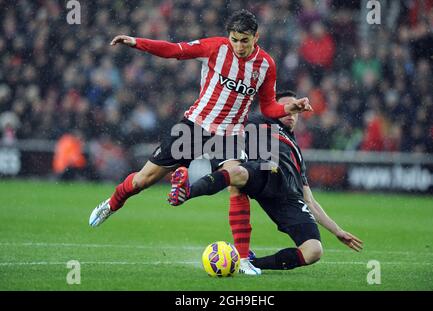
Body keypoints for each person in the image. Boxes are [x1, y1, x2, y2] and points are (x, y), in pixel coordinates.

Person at [88, 10, 311, 275]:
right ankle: (111, 204)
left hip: (228, 135)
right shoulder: (215, 47)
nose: (239, 46)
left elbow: (268, 107)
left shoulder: (266, 65)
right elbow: (174, 50)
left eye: (245, 40)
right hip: (194, 127)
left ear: (256, 38)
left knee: (237, 182)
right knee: (143, 180)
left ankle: (242, 259)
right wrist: (137, 42)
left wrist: (290, 108)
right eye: (235, 39)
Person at [169, 90, 363, 272]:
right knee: (239, 174)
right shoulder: (257, 122)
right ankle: (187, 191)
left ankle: (252, 263)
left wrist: (337, 231)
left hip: (287, 196)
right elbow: (223, 121)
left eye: (295, 109)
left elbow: (309, 200)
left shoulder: (296, 151)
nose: (292, 112)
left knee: (313, 251)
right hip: (265, 170)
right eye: (287, 107)